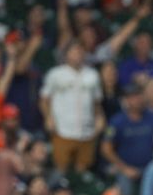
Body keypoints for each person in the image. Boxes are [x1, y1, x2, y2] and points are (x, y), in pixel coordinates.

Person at [39, 41, 105, 173]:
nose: (77, 54)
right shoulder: (56, 74)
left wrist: (100, 117)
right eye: (74, 51)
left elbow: (97, 102)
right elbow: (44, 100)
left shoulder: (92, 75)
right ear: (66, 55)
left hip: (87, 131)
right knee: (61, 168)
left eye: (80, 51)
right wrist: (48, 117)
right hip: (63, 129)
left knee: (83, 168)